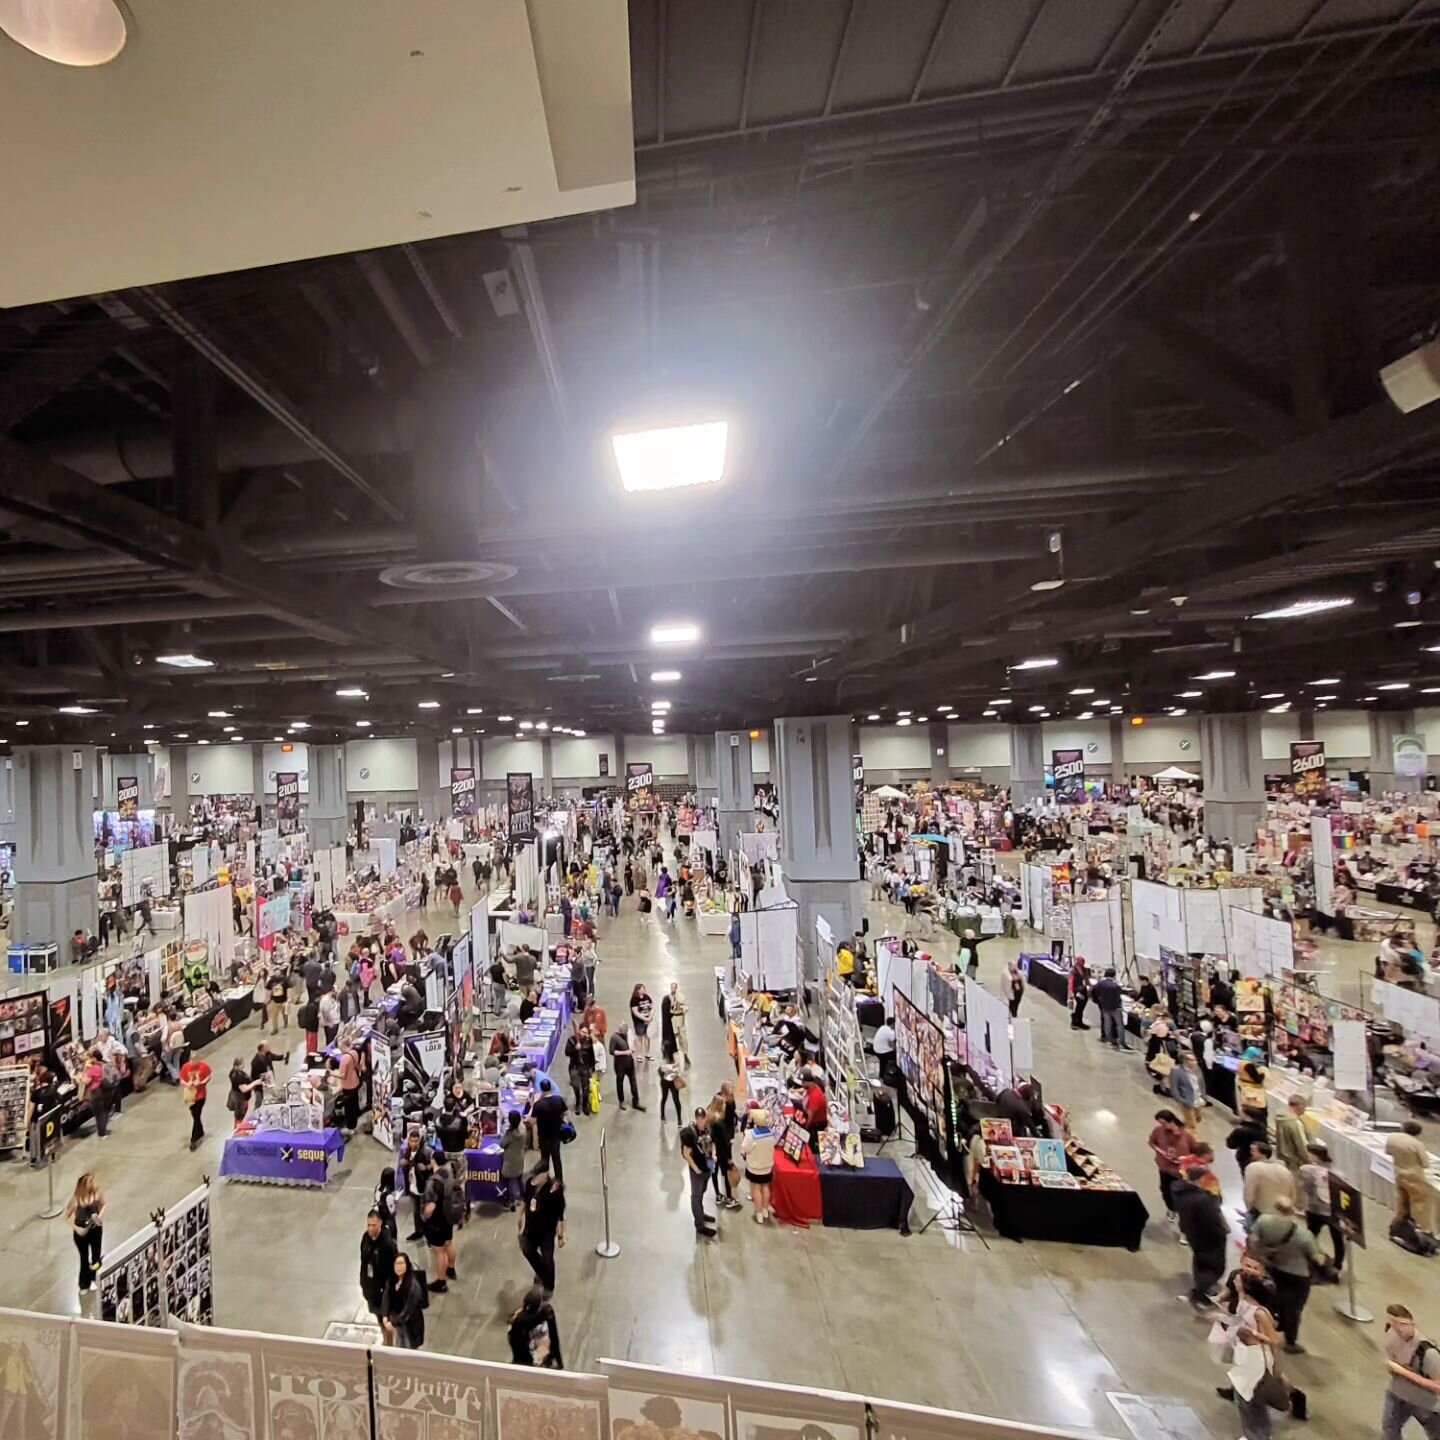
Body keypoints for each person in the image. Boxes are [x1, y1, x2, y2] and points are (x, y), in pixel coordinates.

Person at [1248, 1195, 1319, 1353]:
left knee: (1273, 1300)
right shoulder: (1303, 1235)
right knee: (1294, 1308)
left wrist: (1260, 1256)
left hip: (1272, 1268)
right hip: (1298, 1275)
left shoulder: (1263, 1221)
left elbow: (1252, 1240)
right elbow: (1316, 1257)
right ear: (1292, 1211)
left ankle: (1267, 1329)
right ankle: (1290, 1341)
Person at [1172, 1163, 1228, 1311]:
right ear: (1200, 1178)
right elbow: (1214, 1221)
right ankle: (1200, 1294)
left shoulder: (1179, 1191)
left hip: (1193, 1234)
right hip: (1209, 1237)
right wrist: (1222, 1234)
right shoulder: (1203, 1200)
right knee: (1214, 1268)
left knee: (1200, 1261)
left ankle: (1200, 1287)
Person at [1381, 1302, 1440, 1439]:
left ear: (1412, 1324)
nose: (1398, 1328)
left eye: (1402, 1324)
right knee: (1389, 1430)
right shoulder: (1393, 1337)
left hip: (1422, 1402)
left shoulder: (1428, 1353)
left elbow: (1438, 1385)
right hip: (1397, 1392)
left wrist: (1403, 1372)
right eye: (1393, 1323)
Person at [1297, 1141, 1343, 1278]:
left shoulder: (1307, 1170)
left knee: (1311, 1236)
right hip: (1334, 1210)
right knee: (1337, 1239)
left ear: (1315, 1156)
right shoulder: (1337, 1172)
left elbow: (1306, 1188)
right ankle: (1337, 1265)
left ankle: (1310, 1262)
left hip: (1315, 1209)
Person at [519, 1167, 566, 1295]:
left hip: (547, 1231)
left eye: (538, 1176)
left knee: (547, 1259)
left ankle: (549, 1286)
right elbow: (525, 1201)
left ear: (545, 1176)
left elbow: (560, 1213)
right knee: (527, 1250)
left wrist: (561, 1234)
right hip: (531, 1228)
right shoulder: (530, 1184)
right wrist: (520, 1218)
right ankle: (541, 1273)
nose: (535, 1179)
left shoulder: (554, 1190)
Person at [1147, 1108, 1196, 1228]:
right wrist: (1161, 1152)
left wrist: (1183, 1159)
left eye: (1164, 1123)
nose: (1162, 1126)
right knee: (1165, 1191)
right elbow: (1152, 1142)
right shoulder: (1159, 1131)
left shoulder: (1187, 1135)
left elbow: (1196, 1152)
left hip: (1181, 1171)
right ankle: (1171, 1208)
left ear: (1172, 1121)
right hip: (1165, 1168)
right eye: (1160, 1124)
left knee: (1180, 1194)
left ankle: (1183, 1217)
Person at [1387, 1120, 1436, 1236]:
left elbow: (1388, 1151)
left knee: (1402, 1200)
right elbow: (1425, 1164)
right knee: (1421, 1203)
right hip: (1414, 1176)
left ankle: (1398, 1222)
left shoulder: (1392, 1137)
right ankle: (1424, 1229)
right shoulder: (1417, 1144)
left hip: (1399, 1172)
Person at [420, 1163, 457, 1293]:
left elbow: (430, 1207)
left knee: (439, 1251)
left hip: (437, 1221)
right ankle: (451, 1269)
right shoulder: (450, 1175)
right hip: (448, 1217)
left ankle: (441, 1282)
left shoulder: (433, 1181)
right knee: (449, 1243)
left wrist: (424, 1217)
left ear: (433, 1160)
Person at [65, 1173, 105, 1293]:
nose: (93, 1184)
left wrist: (100, 1217)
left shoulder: (97, 1193)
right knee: (84, 1258)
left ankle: (94, 1277)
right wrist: (77, 1229)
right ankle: (84, 1283)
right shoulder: (76, 1199)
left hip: (96, 1229)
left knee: (96, 1257)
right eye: (90, 1182)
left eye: (93, 1181)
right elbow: (67, 1216)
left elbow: (104, 1204)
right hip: (82, 1230)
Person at [680, 1107, 717, 1238]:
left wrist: (713, 1153)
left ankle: (701, 1213)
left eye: (704, 1118)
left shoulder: (708, 1128)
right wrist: (695, 1168)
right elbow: (686, 1153)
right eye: (699, 1119)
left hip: (707, 1167)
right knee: (696, 1196)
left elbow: (713, 1142)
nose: (702, 1121)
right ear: (696, 1119)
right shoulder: (691, 1133)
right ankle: (699, 1225)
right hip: (697, 1171)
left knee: (702, 1191)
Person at [508, 1284, 563, 1369]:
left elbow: (554, 1338)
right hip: (525, 1362)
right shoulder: (517, 1324)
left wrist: (558, 1361)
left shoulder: (547, 1312)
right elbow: (518, 1355)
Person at [1243, 1141, 1297, 1224]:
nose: (1250, 1153)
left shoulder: (1253, 1167)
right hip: (1282, 1211)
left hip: (1262, 1211)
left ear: (1263, 1154)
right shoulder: (1284, 1169)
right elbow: (1293, 1193)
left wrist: (1249, 1209)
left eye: (1253, 1150)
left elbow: (1249, 1192)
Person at [381, 1253, 426, 1350]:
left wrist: (393, 1322)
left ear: (407, 1265)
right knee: (399, 1344)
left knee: (409, 1348)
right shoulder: (391, 1280)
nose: (399, 1267)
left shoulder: (413, 1286)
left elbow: (408, 1310)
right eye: (396, 1264)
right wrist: (385, 1316)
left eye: (401, 1264)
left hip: (410, 1324)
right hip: (397, 1322)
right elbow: (386, 1297)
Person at [359, 1210, 397, 1322]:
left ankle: (388, 1340)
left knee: (386, 1321)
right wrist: (363, 1282)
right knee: (379, 1320)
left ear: (380, 1223)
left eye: (373, 1225)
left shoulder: (387, 1244)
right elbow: (363, 1261)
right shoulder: (366, 1238)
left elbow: (392, 1270)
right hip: (370, 1288)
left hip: (383, 1291)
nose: (370, 1228)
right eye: (368, 1225)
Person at [709, 1085, 742, 1211]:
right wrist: (729, 1158)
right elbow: (725, 1141)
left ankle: (718, 1195)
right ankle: (729, 1197)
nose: (725, 1106)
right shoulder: (720, 1123)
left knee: (714, 1172)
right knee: (726, 1173)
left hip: (713, 1151)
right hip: (722, 1153)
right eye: (723, 1104)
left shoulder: (711, 1118)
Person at [741, 1105, 776, 1224]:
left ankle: (759, 1212)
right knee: (765, 1187)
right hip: (767, 1166)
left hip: (755, 1167)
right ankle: (765, 1209)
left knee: (756, 1188)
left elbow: (744, 1147)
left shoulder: (751, 1134)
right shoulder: (771, 1133)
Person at [531, 1078, 568, 1179]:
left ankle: (545, 1178)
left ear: (542, 1090)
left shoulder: (538, 1105)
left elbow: (532, 1121)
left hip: (544, 1136)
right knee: (556, 1158)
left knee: (545, 1158)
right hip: (556, 1135)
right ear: (551, 1088)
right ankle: (559, 1179)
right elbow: (565, 1113)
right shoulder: (559, 1100)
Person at [179, 1053, 212, 1150]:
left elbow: (209, 1076)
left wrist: (202, 1082)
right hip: (190, 1096)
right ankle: (200, 1131)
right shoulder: (185, 1067)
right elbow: (181, 1080)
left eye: (196, 1060)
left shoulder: (204, 1066)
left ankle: (193, 1140)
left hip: (201, 1095)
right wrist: (187, 1084)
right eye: (193, 1060)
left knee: (196, 1115)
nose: (194, 1062)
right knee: (195, 1115)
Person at [609, 1025, 644, 1110]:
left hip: (629, 1062)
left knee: (633, 1082)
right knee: (620, 1082)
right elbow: (612, 1051)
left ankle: (636, 1101)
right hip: (619, 1064)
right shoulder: (614, 1037)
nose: (625, 1035)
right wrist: (625, 1052)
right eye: (624, 1033)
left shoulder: (629, 1034)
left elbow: (633, 1042)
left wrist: (634, 1049)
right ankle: (621, 1101)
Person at [1272, 1093, 1310, 1173]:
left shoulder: (1280, 1117)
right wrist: (1308, 1160)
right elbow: (1301, 1144)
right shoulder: (1295, 1123)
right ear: (1300, 1106)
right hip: (1294, 1160)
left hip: (1283, 1156)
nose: (1305, 1110)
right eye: (1304, 1107)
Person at [1091, 967, 1127, 1048]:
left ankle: (1108, 1039)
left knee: (1107, 1023)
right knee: (1119, 1025)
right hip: (1115, 1008)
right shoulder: (1116, 986)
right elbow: (1118, 997)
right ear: (1114, 975)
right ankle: (1122, 1042)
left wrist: (1098, 1001)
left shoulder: (1099, 983)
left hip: (1104, 1007)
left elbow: (1094, 993)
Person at [1168, 1050, 1203, 1130]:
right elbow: (1174, 1087)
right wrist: (1180, 1100)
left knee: (1197, 1119)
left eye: (1195, 1059)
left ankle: (1182, 1130)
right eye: (1192, 1060)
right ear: (1185, 1061)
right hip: (1187, 1100)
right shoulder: (1176, 1071)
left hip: (1198, 1099)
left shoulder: (1197, 1069)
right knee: (1192, 1125)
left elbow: (1201, 1082)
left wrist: (1204, 1096)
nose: (1195, 1062)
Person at [501, 1110, 527, 1210]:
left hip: (510, 1161)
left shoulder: (510, 1134)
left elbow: (502, 1144)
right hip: (519, 1157)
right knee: (519, 1178)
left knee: (510, 1182)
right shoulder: (523, 1128)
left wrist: (506, 1132)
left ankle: (511, 1201)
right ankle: (523, 1196)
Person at [661, 982, 690, 1066]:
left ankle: (685, 1054)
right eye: (671, 988)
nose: (672, 989)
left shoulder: (681, 997)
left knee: (683, 1038)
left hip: (680, 1020)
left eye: (674, 988)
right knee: (671, 1038)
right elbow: (667, 1009)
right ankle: (669, 1053)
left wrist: (680, 1007)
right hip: (672, 1020)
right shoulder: (668, 998)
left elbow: (685, 1006)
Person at [658, 1054, 686, 1124]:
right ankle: (662, 1115)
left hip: (673, 1080)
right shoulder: (663, 1057)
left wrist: (671, 1068)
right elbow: (662, 1068)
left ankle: (679, 1118)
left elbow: (678, 1069)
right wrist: (673, 1066)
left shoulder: (676, 1056)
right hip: (665, 1081)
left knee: (676, 1099)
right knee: (664, 1098)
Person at [629, 984, 654, 1063]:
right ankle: (639, 1054)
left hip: (648, 1021)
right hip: (639, 1022)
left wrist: (650, 1017)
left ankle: (647, 1053)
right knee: (640, 1038)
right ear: (638, 990)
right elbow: (635, 1012)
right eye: (642, 989)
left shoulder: (647, 997)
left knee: (647, 1037)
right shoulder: (634, 1000)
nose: (644, 990)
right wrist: (645, 1018)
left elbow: (652, 1007)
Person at [375, 1166, 400, 1237]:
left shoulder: (377, 1187)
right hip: (387, 1222)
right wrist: (396, 1200)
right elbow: (392, 1212)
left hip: (378, 1217)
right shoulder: (389, 1196)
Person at [872, 1014, 897, 1084]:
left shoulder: (882, 1027)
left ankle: (881, 1077)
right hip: (881, 1052)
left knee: (883, 1062)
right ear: (893, 1024)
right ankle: (891, 1074)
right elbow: (893, 1042)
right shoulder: (890, 1032)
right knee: (895, 1055)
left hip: (876, 1049)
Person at [1069, 961, 1091, 1030]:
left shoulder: (1085, 970)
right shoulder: (1073, 970)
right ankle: (1074, 1022)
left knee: (1081, 1007)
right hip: (1076, 990)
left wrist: (1089, 986)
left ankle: (1080, 1022)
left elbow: (1086, 979)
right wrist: (1071, 992)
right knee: (1077, 1007)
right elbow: (1071, 982)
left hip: (1083, 990)